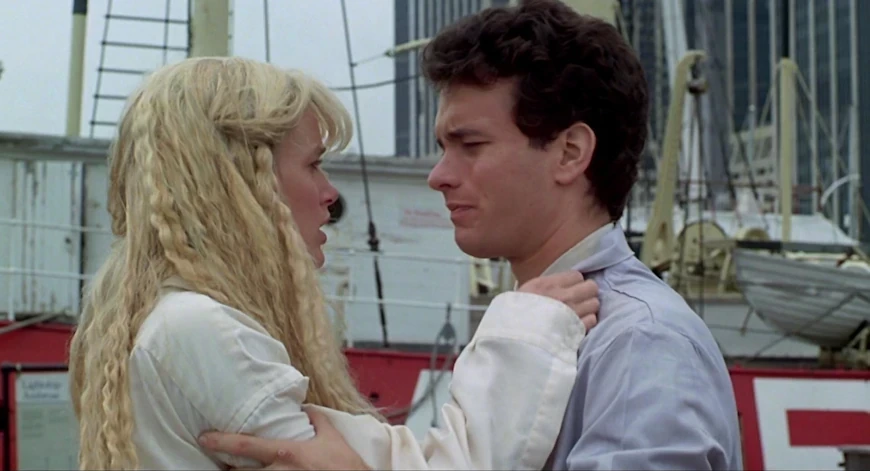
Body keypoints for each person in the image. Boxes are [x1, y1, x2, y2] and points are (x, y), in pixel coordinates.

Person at [199, 0, 745, 469]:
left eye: (471, 145)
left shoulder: (640, 343)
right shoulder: (573, 324)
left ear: (570, 152)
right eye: (444, 147)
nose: (438, 175)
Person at [66, 56, 602, 471]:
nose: (330, 194)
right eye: (313, 165)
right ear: (243, 183)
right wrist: (523, 337)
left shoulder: (168, 320)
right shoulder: (203, 330)